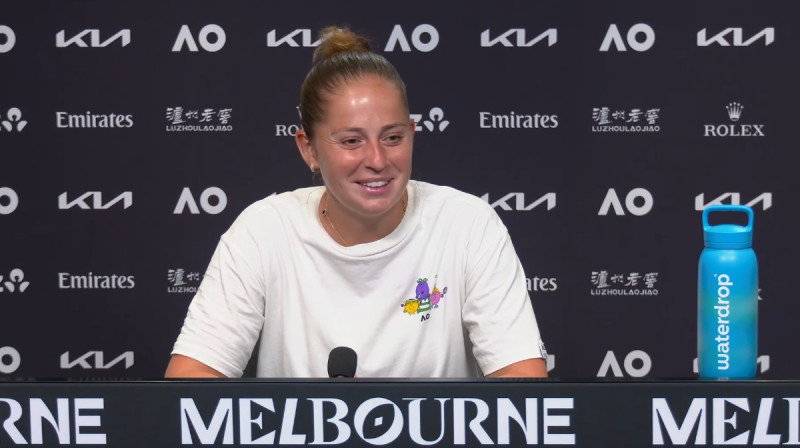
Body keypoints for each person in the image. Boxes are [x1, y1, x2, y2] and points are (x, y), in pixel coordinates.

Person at [165, 26, 547, 378]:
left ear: (413, 134)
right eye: (351, 141)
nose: (377, 159)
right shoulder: (262, 231)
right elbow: (189, 386)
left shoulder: (468, 224)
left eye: (393, 137)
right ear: (309, 149)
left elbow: (523, 387)